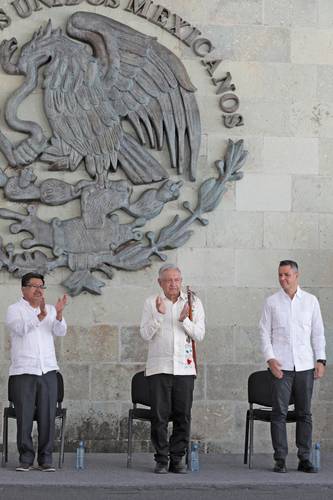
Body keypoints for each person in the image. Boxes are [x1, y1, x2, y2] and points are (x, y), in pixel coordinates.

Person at [259, 260, 326, 474]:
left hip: (305, 366)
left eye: (286, 275)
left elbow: (318, 333)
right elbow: (263, 333)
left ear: (296, 275)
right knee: (279, 412)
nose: (282, 279)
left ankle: (304, 458)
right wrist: (270, 360)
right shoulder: (271, 302)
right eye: (279, 275)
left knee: (304, 413)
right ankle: (280, 459)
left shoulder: (310, 301)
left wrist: (321, 360)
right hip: (282, 366)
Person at [140, 264, 205, 474]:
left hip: (184, 369)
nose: (173, 284)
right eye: (168, 280)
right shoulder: (152, 302)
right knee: (159, 415)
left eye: (177, 280)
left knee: (182, 415)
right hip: (159, 368)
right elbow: (145, 334)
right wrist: (159, 315)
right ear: (160, 282)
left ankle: (177, 458)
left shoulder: (193, 303)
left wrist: (184, 319)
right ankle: (161, 458)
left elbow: (199, 335)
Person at [5, 272, 67, 472]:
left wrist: (57, 315)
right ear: (23, 289)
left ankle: (46, 458)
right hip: (24, 371)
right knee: (24, 416)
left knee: (47, 415)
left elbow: (60, 331)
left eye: (42, 286)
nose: (39, 290)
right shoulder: (14, 310)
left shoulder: (49, 309)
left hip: (48, 370)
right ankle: (25, 458)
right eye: (34, 286)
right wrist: (39, 316)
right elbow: (20, 329)